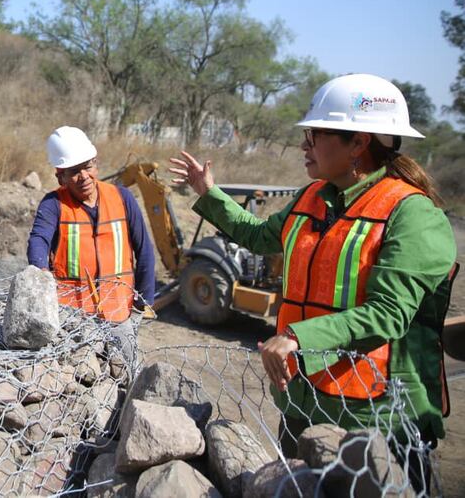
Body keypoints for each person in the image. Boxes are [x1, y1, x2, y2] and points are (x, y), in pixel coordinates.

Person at [170, 73, 456, 490]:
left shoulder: (413, 216)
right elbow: (258, 235)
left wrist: (297, 337)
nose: (304, 144)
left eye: (314, 134)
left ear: (358, 143)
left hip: (376, 420)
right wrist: (208, 193)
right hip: (304, 404)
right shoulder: (313, 198)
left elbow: (389, 315)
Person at [27, 126, 156, 322]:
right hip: (72, 317)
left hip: (119, 310)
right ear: (61, 178)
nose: (84, 176)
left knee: (122, 353)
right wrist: (41, 273)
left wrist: (144, 301)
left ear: (96, 165)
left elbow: (144, 250)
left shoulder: (122, 198)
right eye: (74, 171)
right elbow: (39, 239)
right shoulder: (53, 204)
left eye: (87, 167)